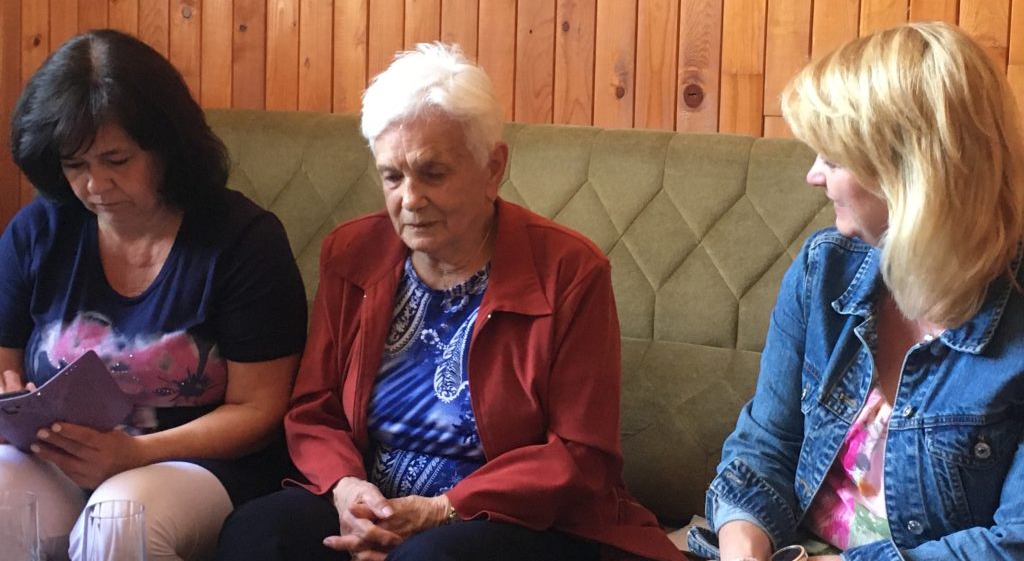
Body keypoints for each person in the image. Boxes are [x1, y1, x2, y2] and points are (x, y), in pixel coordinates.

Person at [216, 42, 683, 561]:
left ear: (492, 168)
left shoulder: (569, 271)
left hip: (518, 518)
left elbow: (581, 454)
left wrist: (443, 508)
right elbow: (314, 408)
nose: (410, 199)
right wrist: (347, 490)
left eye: (432, 173)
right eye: (392, 176)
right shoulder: (351, 253)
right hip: (375, 496)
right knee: (257, 535)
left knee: (429, 559)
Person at [687, 21, 1024, 561]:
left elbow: (1014, 542)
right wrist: (743, 551)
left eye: (833, 158)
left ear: (910, 174)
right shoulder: (824, 271)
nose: (813, 176)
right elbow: (765, 447)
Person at [0, 30, 308, 561]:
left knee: (118, 520)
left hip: (195, 464)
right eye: (75, 165)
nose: (95, 186)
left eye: (116, 160)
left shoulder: (243, 239)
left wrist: (136, 452)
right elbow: (3, 358)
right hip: (58, 457)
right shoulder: (38, 232)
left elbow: (259, 409)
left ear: (166, 146)